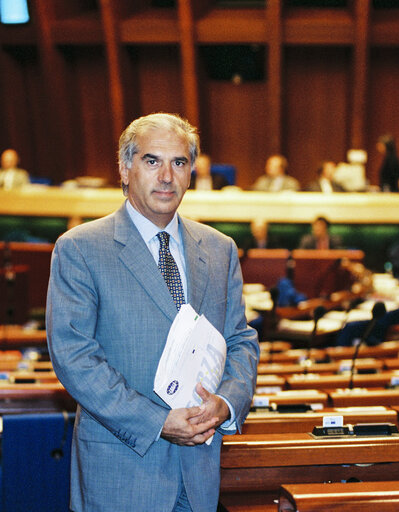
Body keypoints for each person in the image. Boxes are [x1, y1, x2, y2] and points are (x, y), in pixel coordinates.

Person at [46, 112, 259, 512]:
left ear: (192, 172)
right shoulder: (80, 248)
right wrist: (157, 422)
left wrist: (227, 403)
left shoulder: (219, 249)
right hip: (122, 473)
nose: (166, 176)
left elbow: (240, 339)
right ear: (125, 169)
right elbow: (74, 357)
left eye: (178, 162)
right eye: (151, 161)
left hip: (198, 471)